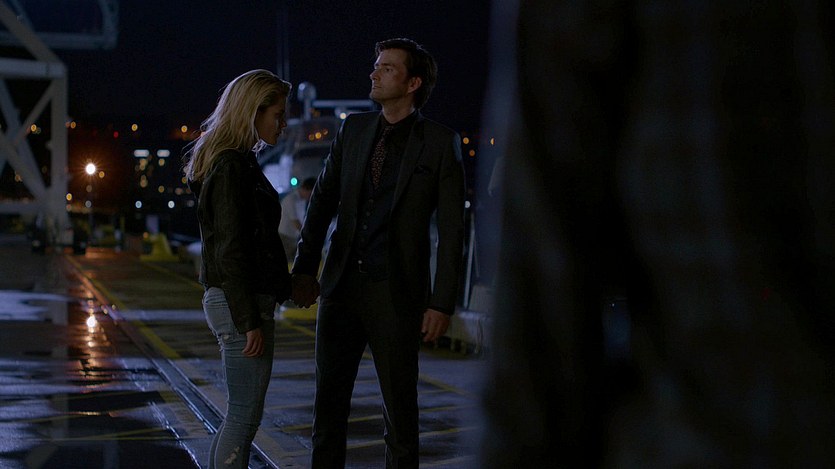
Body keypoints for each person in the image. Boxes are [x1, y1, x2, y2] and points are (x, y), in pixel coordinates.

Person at [291, 38, 466, 468]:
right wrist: (304, 270)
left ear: (413, 83)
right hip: (340, 289)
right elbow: (321, 203)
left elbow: (452, 232)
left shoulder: (439, 142)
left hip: (397, 293)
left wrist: (441, 303)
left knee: (401, 414)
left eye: (387, 68)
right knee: (328, 411)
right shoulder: (353, 130)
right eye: (376, 66)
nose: (374, 73)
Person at [183, 69, 292, 469]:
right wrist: (249, 321)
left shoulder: (237, 162)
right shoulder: (231, 166)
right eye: (277, 114)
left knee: (241, 417)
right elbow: (232, 249)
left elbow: (253, 245)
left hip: (238, 301)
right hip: (238, 304)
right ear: (253, 110)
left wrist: (287, 288)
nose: (283, 124)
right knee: (243, 418)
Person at [278, 177, 315, 260]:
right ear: (305, 189)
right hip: (285, 237)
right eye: (310, 194)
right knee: (286, 261)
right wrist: (308, 235)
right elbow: (295, 221)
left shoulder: (302, 201)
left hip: (293, 237)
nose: (310, 197)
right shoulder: (291, 200)